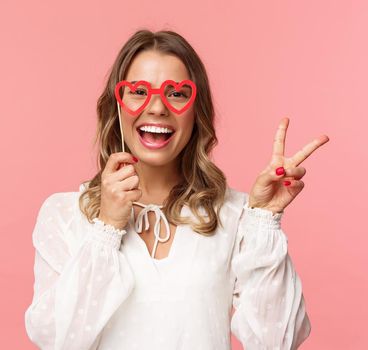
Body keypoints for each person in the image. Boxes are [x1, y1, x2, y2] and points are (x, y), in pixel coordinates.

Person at [24, 29, 329, 349]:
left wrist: (265, 219)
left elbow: (277, 342)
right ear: (117, 105)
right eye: (139, 91)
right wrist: (107, 227)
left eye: (177, 93)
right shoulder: (64, 214)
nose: (157, 107)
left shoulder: (237, 215)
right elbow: (55, 339)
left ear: (198, 112)